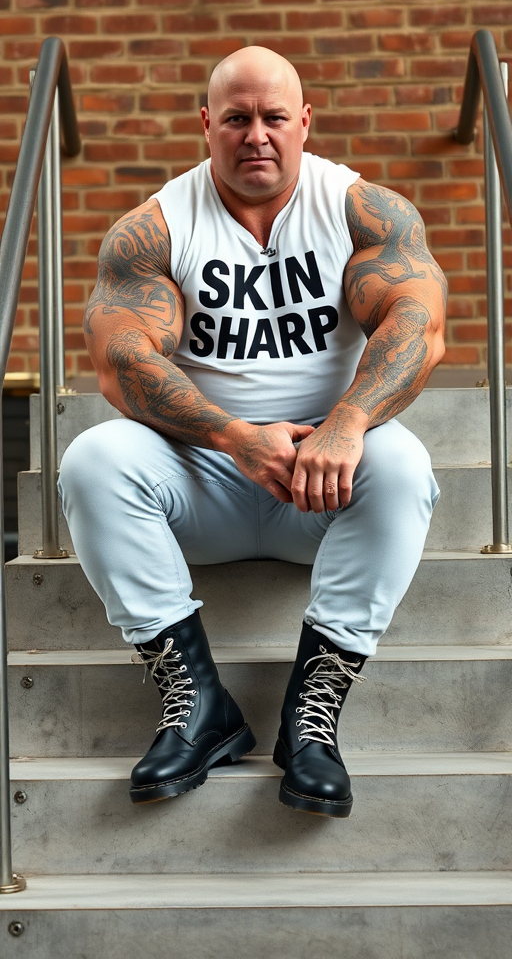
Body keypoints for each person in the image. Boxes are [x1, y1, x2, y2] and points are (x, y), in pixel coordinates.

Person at [59, 46, 446, 819]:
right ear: (207, 124)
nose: (256, 135)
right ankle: (198, 703)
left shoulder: (364, 211)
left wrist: (347, 421)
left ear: (305, 122)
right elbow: (120, 361)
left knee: (401, 465)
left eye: (274, 117)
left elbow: (419, 325)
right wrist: (236, 437)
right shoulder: (155, 229)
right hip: (204, 480)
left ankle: (311, 721)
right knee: (92, 457)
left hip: (323, 484)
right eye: (237, 118)